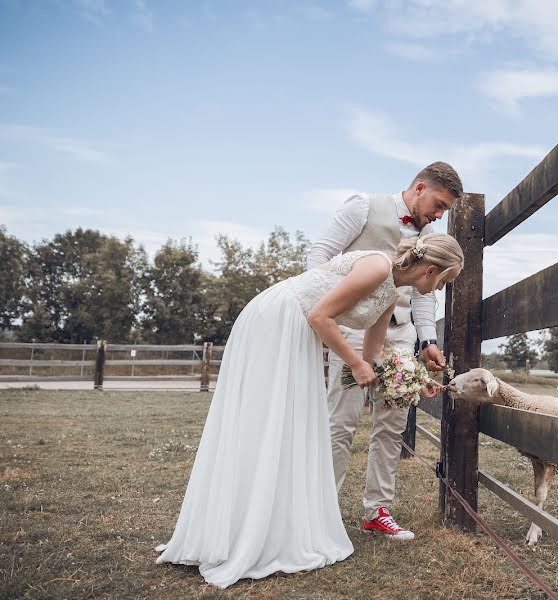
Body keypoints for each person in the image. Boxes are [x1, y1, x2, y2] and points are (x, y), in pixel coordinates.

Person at [155, 234, 465, 589]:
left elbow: (373, 356)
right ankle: (236, 529)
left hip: (299, 329)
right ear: (430, 270)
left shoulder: (391, 294)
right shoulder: (378, 266)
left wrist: (412, 379)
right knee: (266, 419)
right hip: (279, 319)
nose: (439, 289)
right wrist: (354, 364)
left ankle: (262, 522)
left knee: (286, 424)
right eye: (445, 281)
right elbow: (321, 315)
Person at [308, 161, 462, 540]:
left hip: (399, 337)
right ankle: (321, 509)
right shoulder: (364, 207)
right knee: (341, 421)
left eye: (446, 211)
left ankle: (378, 510)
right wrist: (324, 309)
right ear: (420, 188)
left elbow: (425, 295)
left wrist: (427, 340)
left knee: (392, 425)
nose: (440, 215)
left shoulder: (431, 241)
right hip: (352, 328)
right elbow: (319, 256)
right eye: (439, 205)